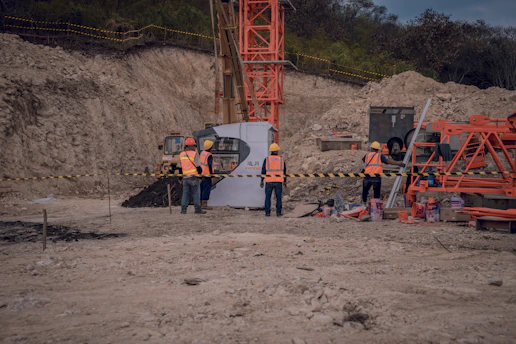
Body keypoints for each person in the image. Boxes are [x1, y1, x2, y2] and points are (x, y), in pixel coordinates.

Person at [361, 141, 404, 207]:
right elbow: (388, 161)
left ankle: (363, 205)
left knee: (365, 192)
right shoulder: (380, 156)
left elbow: (364, 161)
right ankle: (375, 207)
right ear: (378, 149)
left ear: (371, 148)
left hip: (367, 176)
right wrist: (398, 163)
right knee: (376, 194)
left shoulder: (366, 155)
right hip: (376, 177)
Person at [177, 138, 205, 214]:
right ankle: (197, 209)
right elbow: (198, 167)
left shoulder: (182, 154)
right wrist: (200, 177)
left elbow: (179, 168)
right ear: (194, 146)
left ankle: (183, 209)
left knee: (185, 193)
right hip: (193, 177)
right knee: (196, 193)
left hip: (185, 178)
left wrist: (180, 178)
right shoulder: (195, 154)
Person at [260, 143, 287, 217]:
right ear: (277, 151)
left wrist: (262, 180)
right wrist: (285, 181)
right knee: (278, 198)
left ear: (271, 151)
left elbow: (263, 171)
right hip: (278, 182)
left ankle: (267, 213)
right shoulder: (281, 160)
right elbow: (284, 171)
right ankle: (278, 213)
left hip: (269, 181)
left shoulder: (267, 159)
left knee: (268, 197)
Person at [200, 140, 214, 210]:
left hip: (201, 174)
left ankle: (200, 203)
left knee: (201, 189)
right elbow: (210, 165)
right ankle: (204, 204)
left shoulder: (202, 153)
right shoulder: (209, 155)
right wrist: (212, 175)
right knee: (206, 189)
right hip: (207, 175)